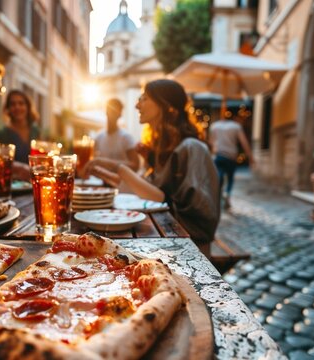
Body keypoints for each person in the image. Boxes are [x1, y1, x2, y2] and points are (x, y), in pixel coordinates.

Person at [85, 80, 220, 255]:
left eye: (144, 98)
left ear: (166, 105)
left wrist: (118, 167)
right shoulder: (164, 149)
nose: (136, 104)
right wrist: (101, 170)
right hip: (166, 238)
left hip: (190, 247)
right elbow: (145, 190)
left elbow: (164, 199)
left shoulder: (192, 148)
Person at [208, 112, 254, 209]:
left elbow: (211, 142)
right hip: (231, 156)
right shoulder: (236, 126)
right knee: (230, 178)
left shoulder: (214, 126)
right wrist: (250, 157)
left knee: (219, 176)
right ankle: (227, 194)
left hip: (218, 155)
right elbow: (244, 142)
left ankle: (217, 196)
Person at [87, 98, 140, 174]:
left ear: (120, 114)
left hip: (122, 183)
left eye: (115, 111)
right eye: (110, 109)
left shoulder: (126, 137)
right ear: (105, 111)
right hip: (102, 182)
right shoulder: (99, 137)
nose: (112, 113)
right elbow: (93, 161)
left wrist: (104, 162)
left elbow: (135, 165)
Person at [0, 90, 41, 163]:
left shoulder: (35, 131)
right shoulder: (2, 134)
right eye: (13, 104)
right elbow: (3, 161)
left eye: (21, 103)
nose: (17, 107)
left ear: (27, 107)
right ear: (8, 109)